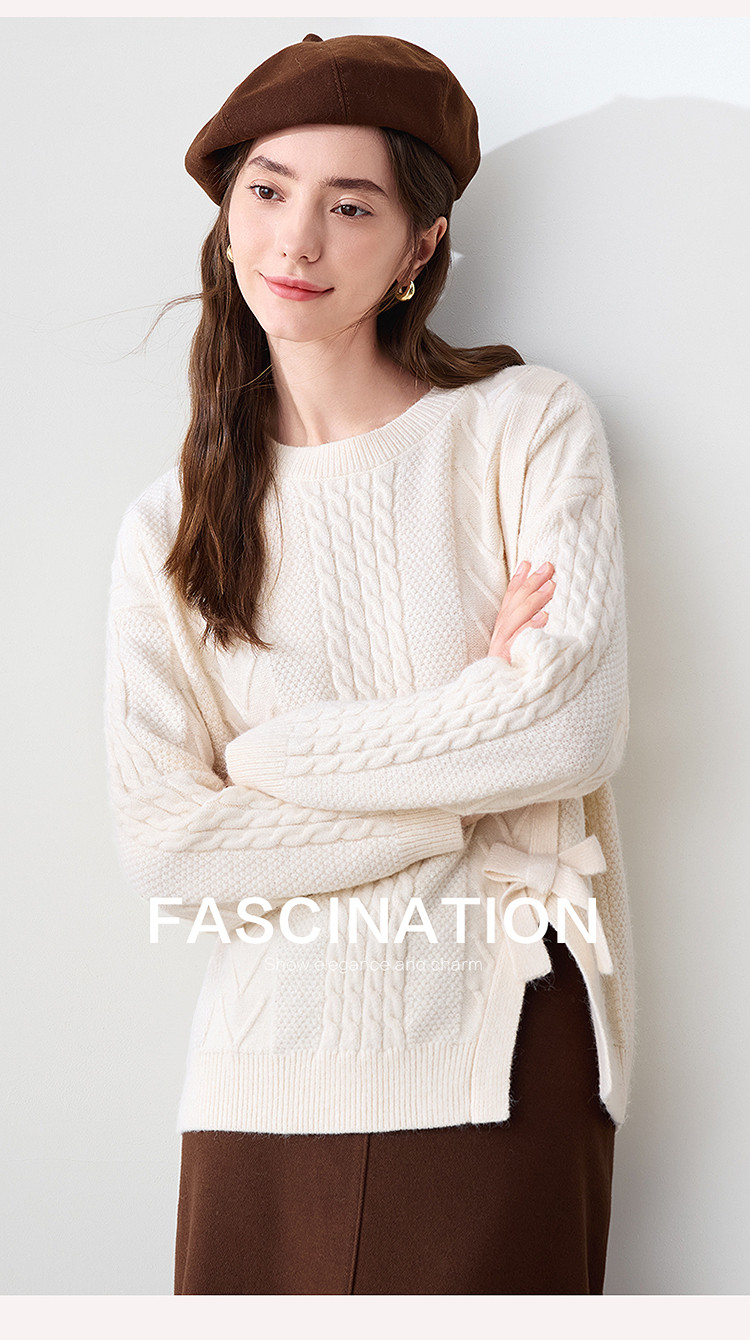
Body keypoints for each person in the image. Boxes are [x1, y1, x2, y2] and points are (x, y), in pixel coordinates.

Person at [104, 32, 635, 1295]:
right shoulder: (170, 524)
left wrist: (271, 760)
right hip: (262, 1066)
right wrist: (461, 772)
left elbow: (568, 729)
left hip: (497, 1041)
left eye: (351, 206)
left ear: (419, 247)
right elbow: (171, 846)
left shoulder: (522, 425)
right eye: (267, 190)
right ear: (228, 216)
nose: (296, 240)